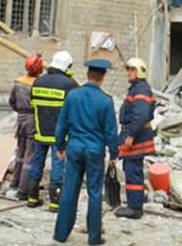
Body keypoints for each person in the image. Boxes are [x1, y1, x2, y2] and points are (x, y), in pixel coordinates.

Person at [52, 59, 118, 245]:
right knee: (95, 193)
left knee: (69, 191)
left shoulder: (73, 96)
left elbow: (61, 124)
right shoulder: (106, 100)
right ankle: (94, 237)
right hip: (95, 151)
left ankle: (61, 234)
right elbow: (111, 132)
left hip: (74, 149)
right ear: (102, 77)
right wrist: (114, 155)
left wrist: (60, 146)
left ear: (87, 75)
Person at [27, 50, 78, 212]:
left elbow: (32, 104)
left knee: (37, 163)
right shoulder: (69, 84)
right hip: (59, 134)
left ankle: (32, 198)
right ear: (67, 67)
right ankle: (55, 202)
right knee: (58, 166)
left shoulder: (38, 82)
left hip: (40, 130)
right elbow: (73, 108)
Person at [115, 58, 156, 219]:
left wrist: (131, 134)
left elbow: (141, 115)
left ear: (140, 71)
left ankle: (135, 207)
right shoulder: (136, 89)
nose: (129, 72)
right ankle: (134, 203)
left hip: (136, 136)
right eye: (128, 69)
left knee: (133, 171)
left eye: (132, 70)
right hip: (133, 134)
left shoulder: (141, 90)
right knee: (131, 169)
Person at [8, 53, 43, 201]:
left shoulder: (18, 82)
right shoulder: (39, 84)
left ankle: (15, 182)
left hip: (20, 120)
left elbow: (12, 102)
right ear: (39, 69)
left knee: (20, 153)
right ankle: (23, 190)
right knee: (30, 156)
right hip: (32, 121)